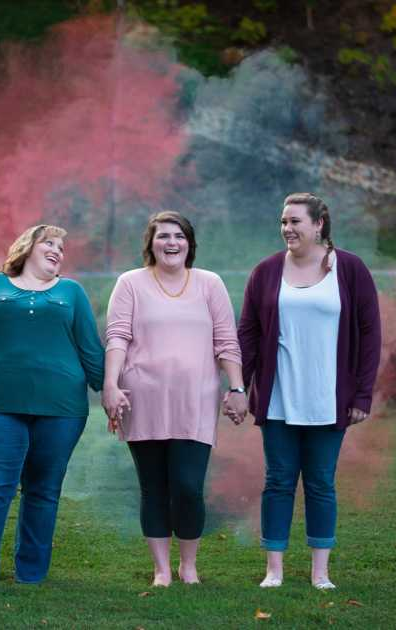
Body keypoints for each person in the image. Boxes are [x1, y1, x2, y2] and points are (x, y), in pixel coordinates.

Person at [0, 224, 104, 590]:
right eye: (49, 242)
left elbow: (91, 349)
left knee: (43, 491)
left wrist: (110, 391)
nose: (57, 250)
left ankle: (31, 575)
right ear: (27, 247)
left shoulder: (72, 292)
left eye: (61, 247)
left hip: (62, 409)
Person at [238, 193, 381, 590]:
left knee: (320, 483)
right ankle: (274, 570)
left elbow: (370, 335)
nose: (287, 228)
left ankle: (321, 572)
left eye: (295, 221)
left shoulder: (349, 269)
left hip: (329, 400)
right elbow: (248, 334)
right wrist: (238, 386)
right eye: (284, 222)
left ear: (319, 224)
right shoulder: (266, 271)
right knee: (278, 481)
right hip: (279, 398)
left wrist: (362, 395)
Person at [102, 210, 247, 586]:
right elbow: (117, 336)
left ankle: (189, 565)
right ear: (151, 244)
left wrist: (236, 388)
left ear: (189, 244)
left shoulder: (209, 283)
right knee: (153, 488)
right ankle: (161, 570)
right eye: (163, 236)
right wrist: (111, 384)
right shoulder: (130, 283)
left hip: (195, 400)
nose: (171, 242)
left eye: (179, 236)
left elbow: (226, 340)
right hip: (143, 398)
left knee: (187, 486)